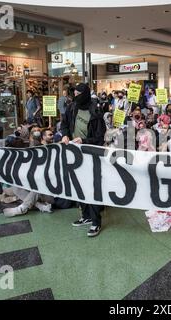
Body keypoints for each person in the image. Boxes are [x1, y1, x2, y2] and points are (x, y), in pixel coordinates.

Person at [61, 83, 106, 237]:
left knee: (91, 188)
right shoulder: (72, 107)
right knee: (79, 186)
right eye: (75, 92)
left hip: (91, 154)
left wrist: (84, 141)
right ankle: (86, 216)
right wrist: (65, 134)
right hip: (75, 154)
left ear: (85, 93)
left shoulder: (95, 111)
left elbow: (100, 138)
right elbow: (64, 124)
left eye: (79, 92)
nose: (76, 95)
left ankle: (95, 222)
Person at [2, 128, 56, 216]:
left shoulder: (55, 149)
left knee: (39, 188)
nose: (52, 136)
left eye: (52, 134)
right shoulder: (36, 148)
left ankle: (22, 208)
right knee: (16, 188)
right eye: (50, 134)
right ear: (43, 137)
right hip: (36, 184)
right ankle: (40, 206)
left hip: (50, 192)